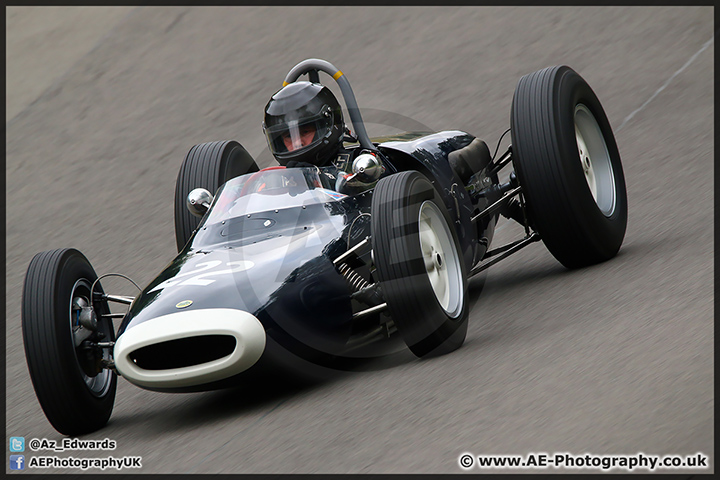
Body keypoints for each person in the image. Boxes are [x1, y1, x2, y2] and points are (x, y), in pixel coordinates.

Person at [263, 81, 345, 167]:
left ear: (328, 126)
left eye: (305, 132)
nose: (297, 143)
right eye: (289, 136)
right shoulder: (278, 178)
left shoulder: (356, 165)